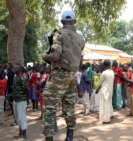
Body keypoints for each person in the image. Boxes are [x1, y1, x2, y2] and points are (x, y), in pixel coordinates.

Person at [41, 10, 85, 141]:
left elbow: (55, 56)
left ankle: (49, 138)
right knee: (69, 106)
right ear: (74, 21)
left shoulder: (58, 34)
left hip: (59, 74)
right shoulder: (80, 39)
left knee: (49, 107)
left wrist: (43, 55)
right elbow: (79, 58)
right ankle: (69, 136)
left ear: (61, 22)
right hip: (72, 75)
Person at [12, 64, 28, 139]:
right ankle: (20, 132)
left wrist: (24, 97)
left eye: (15, 68)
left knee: (22, 117)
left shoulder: (22, 78)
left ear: (19, 69)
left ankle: (24, 134)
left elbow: (26, 89)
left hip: (21, 100)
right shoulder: (15, 77)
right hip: (16, 99)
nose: (13, 69)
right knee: (17, 117)